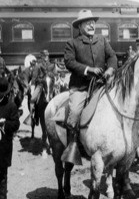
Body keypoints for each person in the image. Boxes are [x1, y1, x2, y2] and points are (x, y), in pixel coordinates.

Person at [55, 9, 117, 164]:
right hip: (81, 87)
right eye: (87, 23)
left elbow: (112, 56)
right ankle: (73, 147)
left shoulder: (102, 40)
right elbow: (69, 62)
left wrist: (110, 69)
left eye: (92, 22)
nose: (91, 25)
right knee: (75, 113)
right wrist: (88, 70)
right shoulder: (72, 43)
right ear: (80, 26)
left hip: (101, 85)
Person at [29, 50, 52, 116]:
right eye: (45, 56)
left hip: (49, 84)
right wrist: (32, 89)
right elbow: (34, 78)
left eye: (47, 56)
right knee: (33, 99)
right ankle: (31, 115)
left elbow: (54, 74)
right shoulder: (38, 66)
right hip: (40, 85)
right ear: (41, 57)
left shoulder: (50, 65)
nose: (46, 57)